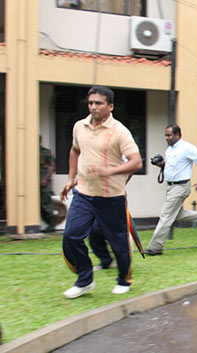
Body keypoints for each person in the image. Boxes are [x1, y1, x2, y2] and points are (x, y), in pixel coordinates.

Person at [60, 86, 143, 298]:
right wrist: (70, 179)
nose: (93, 107)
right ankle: (85, 280)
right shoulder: (80, 127)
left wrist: (109, 171)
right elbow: (75, 151)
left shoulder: (120, 131)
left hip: (111, 197)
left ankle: (124, 279)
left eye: (99, 103)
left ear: (110, 106)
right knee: (71, 236)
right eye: (91, 103)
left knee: (118, 243)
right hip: (84, 193)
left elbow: (136, 162)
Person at [144, 124, 197, 256]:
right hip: (171, 187)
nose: (167, 138)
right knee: (177, 214)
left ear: (178, 135)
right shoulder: (169, 150)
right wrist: (160, 164)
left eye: (169, 135)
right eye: (165, 135)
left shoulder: (187, 148)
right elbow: (170, 166)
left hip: (181, 187)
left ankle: (155, 247)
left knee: (165, 216)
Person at [40, 136, 56, 232]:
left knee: (46, 203)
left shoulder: (46, 152)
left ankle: (52, 225)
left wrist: (45, 178)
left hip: (44, 181)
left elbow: (52, 166)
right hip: (33, 182)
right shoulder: (29, 151)